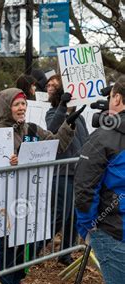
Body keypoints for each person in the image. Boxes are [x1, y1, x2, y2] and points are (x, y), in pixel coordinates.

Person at [0, 87, 80, 284]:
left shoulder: (31, 128)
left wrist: (68, 125)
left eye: (24, 104)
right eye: (16, 104)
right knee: (8, 243)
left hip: (31, 197)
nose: (22, 108)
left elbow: (56, 145)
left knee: (26, 240)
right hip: (6, 199)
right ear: (5, 107)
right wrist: (8, 160)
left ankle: (19, 277)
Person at [75, 76, 125, 284]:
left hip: (113, 230)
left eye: (111, 95)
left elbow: (84, 188)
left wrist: (87, 227)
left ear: (117, 98)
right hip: (115, 226)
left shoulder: (104, 137)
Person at [45, 79, 89, 266]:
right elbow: (52, 129)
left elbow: (86, 140)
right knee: (59, 214)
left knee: (73, 216)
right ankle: (37, 246)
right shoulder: (53, 113)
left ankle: (66, 252)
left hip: (77, 172)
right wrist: (62, 107)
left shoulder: (80, 117)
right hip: (61, 172)